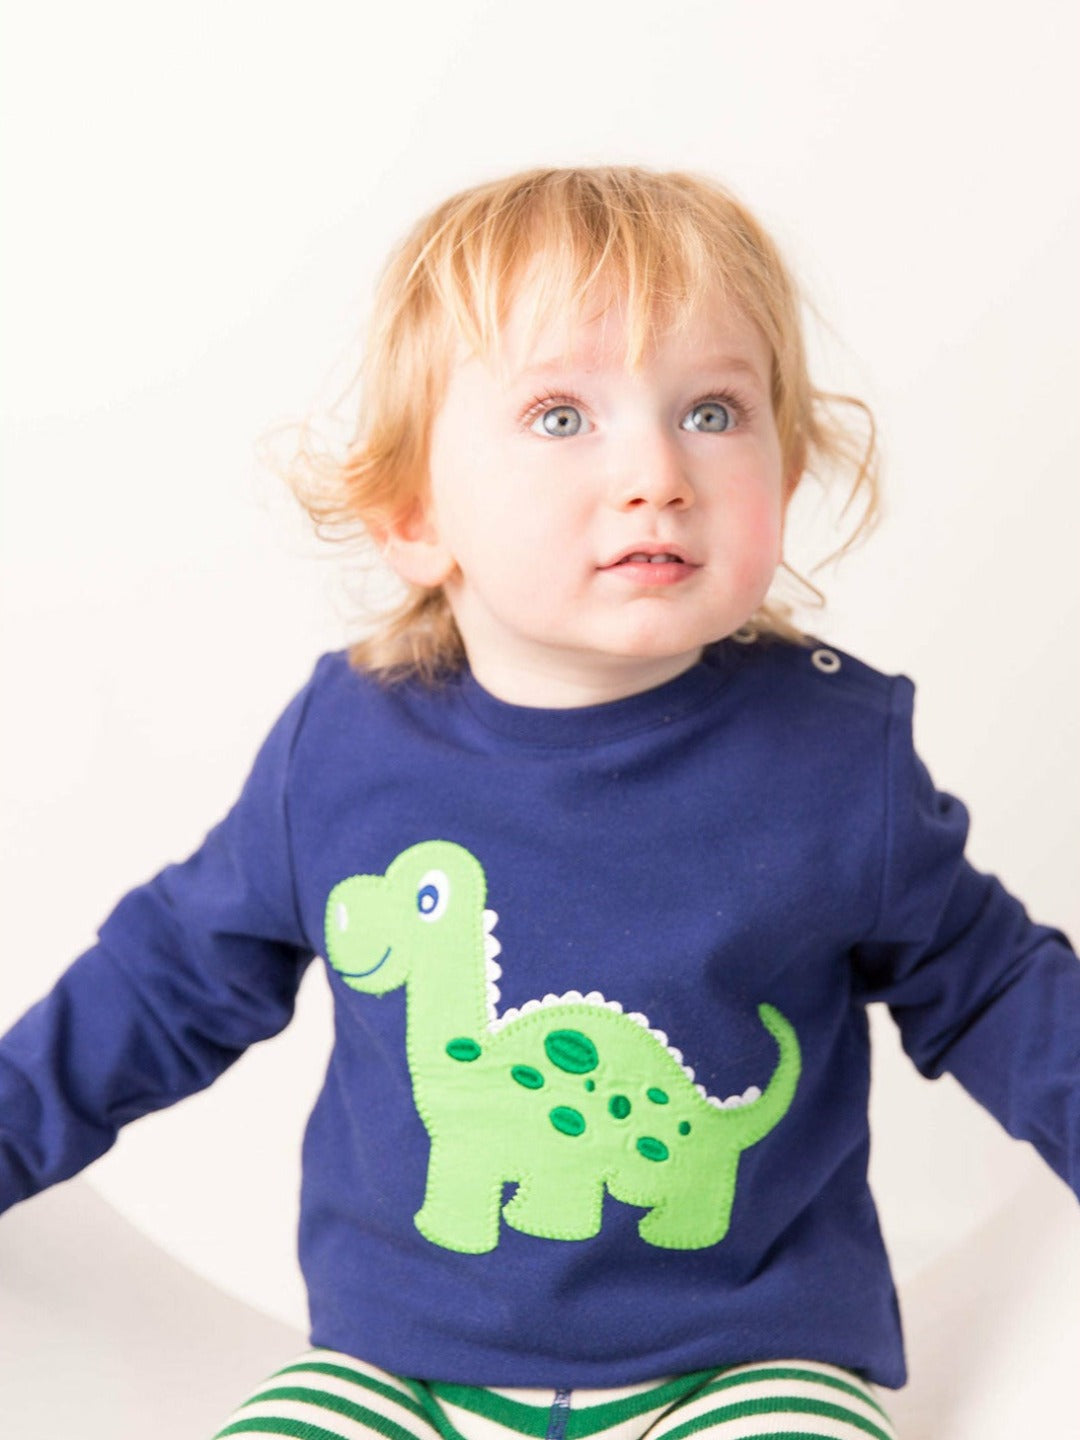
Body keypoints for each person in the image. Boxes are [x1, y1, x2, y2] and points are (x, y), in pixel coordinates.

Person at [1, 166, 1076, 1440]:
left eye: (714, 411)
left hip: (742, 1355)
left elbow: (997, 988)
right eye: (562, 416)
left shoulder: (837, 761)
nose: (658, 472)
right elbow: (165, 983)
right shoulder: (341, 750)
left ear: (785, 477)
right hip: (400, 1363)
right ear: (413, 513)